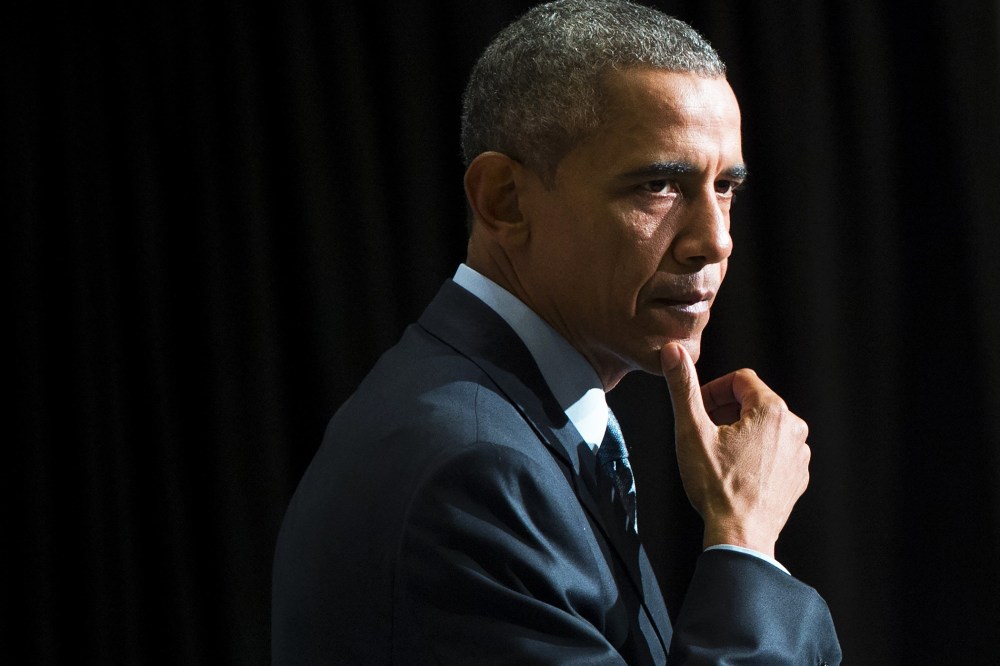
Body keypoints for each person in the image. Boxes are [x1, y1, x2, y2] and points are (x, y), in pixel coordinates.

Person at [272, 1, 842, 663]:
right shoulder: (473, 472)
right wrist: (745, 538)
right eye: (659, 185)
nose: (714, 241)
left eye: (725, 188)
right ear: (504, 200)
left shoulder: (507, 419)